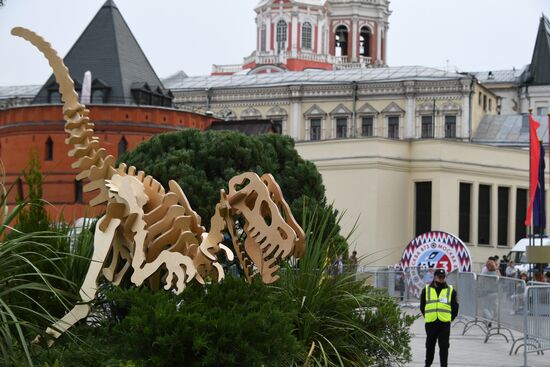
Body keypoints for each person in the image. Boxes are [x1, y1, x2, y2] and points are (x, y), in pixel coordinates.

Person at [420, 269, 459, 367]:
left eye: (443, 277)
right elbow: (422, 306)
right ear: (435, 277)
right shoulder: (426, 290)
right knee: (429, 346)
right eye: (439, 277)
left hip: (444, 323)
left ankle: (444, 365)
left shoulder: (451, 290)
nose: (441, 279)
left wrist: (450, 318)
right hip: (431, 322)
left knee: (444, 346)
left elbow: (455, 307)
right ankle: (427, 364)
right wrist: (427, 316)